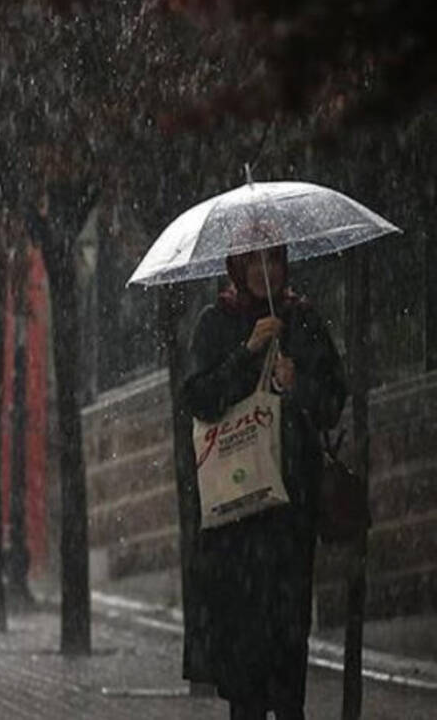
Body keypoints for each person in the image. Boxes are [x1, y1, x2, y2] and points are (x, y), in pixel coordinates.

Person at [183, 244, 346, 720]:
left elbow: (333, 402)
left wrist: (298, 385)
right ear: (237, 267)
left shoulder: (303, 320)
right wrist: (247, 353)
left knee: (289, 652)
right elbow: (198, 398)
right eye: (252, 261)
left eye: (272, 259)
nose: (263, 271)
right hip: (236, 517)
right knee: (246, 672)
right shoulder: (217, 322)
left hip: (289, 515)